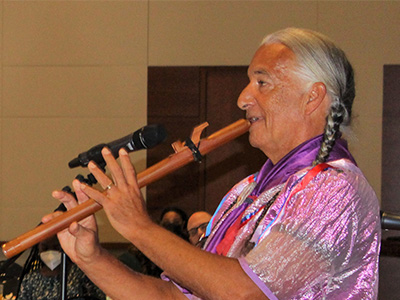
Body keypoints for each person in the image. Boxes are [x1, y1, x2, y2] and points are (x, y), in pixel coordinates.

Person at [43, 27, 381, 299]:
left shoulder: (335, 190)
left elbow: (245, 293)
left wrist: (137, 225)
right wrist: (92, 258)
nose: (243, 98)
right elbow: (172, 297)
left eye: (262, 82)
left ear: (313, 98)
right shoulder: (245, 191)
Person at [17, 235, 105, 300]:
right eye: (45, 248)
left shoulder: (81, 275)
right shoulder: (30, 280)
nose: (50, 252)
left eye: (56, 248)